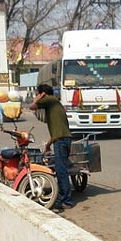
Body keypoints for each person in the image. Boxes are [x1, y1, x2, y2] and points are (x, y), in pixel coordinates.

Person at [29, 83, 73, 212]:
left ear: (43, 94)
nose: (38, 96)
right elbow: (57, 131)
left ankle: (65, 201)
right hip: (64, 139)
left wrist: (38, 98)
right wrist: (48, 145)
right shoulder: (55, 103)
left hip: (61, 141)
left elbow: (32, 106)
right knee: (62, 170)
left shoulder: (49, 99)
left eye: (39, 94)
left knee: (61, 171)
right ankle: (64, 198)